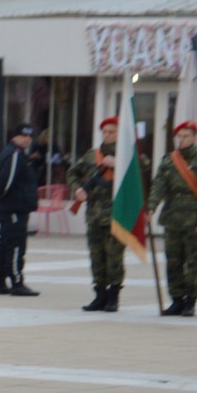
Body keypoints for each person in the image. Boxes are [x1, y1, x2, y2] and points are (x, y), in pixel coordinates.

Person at [151, 119, 197, 318]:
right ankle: (176, 299)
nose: (182, 140)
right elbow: (159, 186)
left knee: (192, 262)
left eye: (186, 136)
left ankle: (190, 301)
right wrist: (151, 207)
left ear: (194, 138)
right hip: (172, 218)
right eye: (179, 136)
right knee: (173, 262)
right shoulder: (169, 160)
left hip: (195, 220)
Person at [68, 116, 128, 313]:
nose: (108, 135)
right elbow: (72, 173)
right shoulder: (92, 155)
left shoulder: (129, 156)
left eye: (112, 132)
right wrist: (77, 189)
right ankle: (99, 295)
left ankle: (113, 297)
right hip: (94, 215)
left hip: (116, 216)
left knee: (114, 258)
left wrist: (118, 163)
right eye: (105, 132)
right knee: (97, 257)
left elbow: (141, 173)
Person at [0, 123, 40, 296]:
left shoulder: (15, 153)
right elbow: (7, 180)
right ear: (14, 136)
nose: (27, 139)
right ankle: (16, 281)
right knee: (15, 244)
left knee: (5, 243)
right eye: (23, 135)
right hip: (14, 207)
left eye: (29, 136)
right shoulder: (15, 154)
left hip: (13, 207)